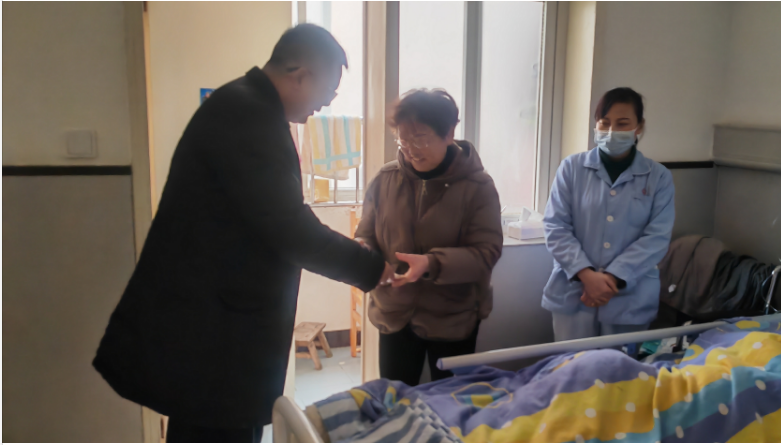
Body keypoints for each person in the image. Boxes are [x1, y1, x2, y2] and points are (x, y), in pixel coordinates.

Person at [93, 24, 394, 443]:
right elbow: (289, 226)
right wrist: (372, 268)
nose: (327, 103)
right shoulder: (247, 115)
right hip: (218, 334)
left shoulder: (246, 105)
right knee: (215, 431)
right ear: (301, 74)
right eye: (329, 90)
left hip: (220, 324)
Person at [354, 89, 503, 386]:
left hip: (452, 317)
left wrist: (431, 264)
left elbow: (486, 252)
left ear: (449, 134)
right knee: (396, 399)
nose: (410, 150)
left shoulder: (478, 187)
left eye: (420, 139)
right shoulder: (385, 180)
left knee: (450, 401)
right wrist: (364, 254)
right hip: (395, 312)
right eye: (403, 140)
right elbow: (366, 234)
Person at [542, 87, 675, 342]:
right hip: (575, 292)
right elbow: (555, 227)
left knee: (620, 367)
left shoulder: (658, 177)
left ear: (639, 127)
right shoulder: (571, 168)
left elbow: (657, 238)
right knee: (573, 365)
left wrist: (612, 278)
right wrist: (587, 275)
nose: (611, 131)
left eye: (622, 123)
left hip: (629, 298)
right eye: (604, 123)